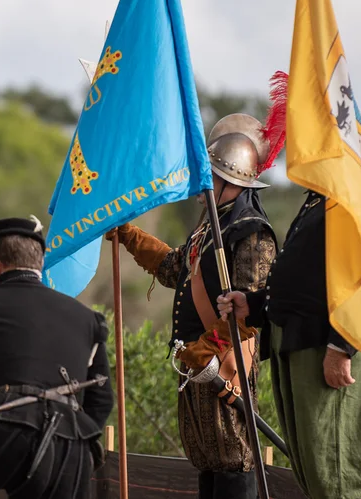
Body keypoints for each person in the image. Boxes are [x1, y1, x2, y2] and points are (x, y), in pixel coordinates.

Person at [218, 124, 361, 499]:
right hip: (301, 342)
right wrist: (252, 305)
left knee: (335, 475)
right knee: (315, 471)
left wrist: (342, 347)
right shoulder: (323, 197)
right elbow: (306, 279)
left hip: (330, 346)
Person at [106, 114, 280, 499]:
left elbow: (248, 311)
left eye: (212, 178)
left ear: (232, 182)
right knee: (206, 459)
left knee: (232, 455)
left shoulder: (252, 233)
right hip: (197, 364)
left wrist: (208, 351)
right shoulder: (209, 227)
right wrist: (131, 237)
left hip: (224, 366)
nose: (203, 187)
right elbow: (174, 268)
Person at [0, 216, 113, 499]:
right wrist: (71, 431)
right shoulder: (89, 320)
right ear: (40, 262)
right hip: (70, 443)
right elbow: (102, 401)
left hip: (1, 441)